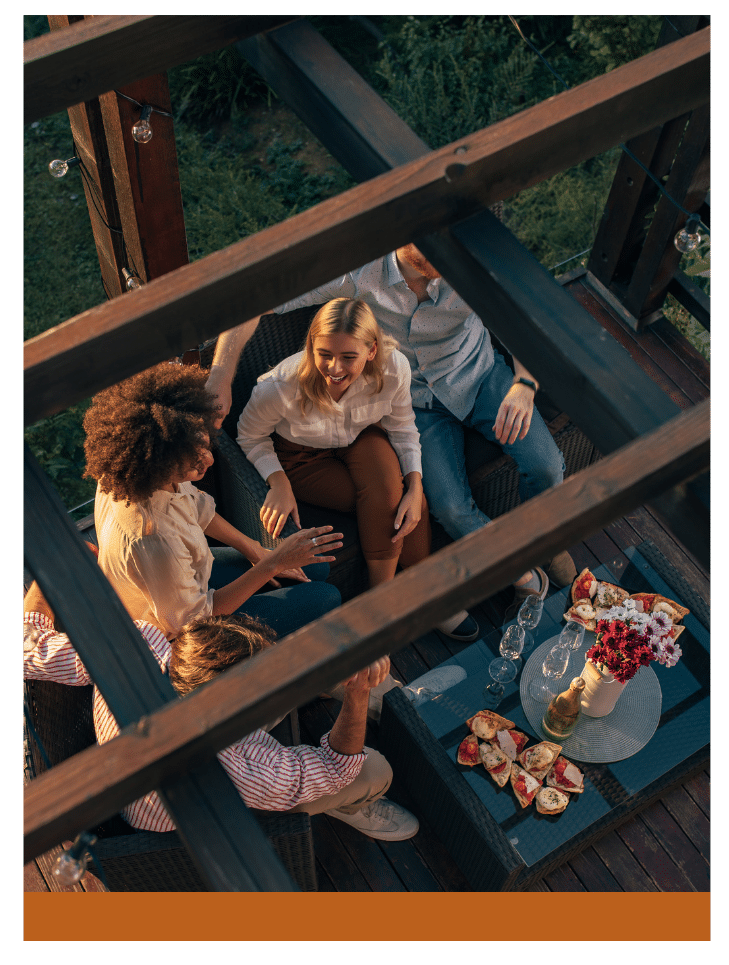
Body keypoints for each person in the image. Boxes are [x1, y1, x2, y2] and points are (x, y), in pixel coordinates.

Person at [207, 246, 576, 618]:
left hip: (480, 376)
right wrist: (220, 377)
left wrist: (524, 384)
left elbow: (522, 320)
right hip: (418, 408)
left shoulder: (473, 264)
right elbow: (252, 299)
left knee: (546, 465)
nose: (436, 256)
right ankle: (519, 569)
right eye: (423, 243)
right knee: (448, 506)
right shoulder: (355, 273)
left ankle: (542, 537)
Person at [23, 580, 420, 841]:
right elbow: (336, 767)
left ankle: (392, 700)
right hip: (197, 815)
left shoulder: (135, 649)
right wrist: (356, 698)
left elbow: (26, 644)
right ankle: (347, 804)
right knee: (374, 770)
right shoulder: (239, 769)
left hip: (155, 754)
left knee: (310, 660)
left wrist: (47, 577)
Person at [236, 297, 478, 641]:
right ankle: (423, 591)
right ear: (311, 347)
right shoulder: (279, 387)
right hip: (303, 459)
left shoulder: (394, 369)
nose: (335, 368)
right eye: (325, 355)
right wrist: (278, 482)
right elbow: (249, 435)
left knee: (400, 498)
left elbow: (403, 427)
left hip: (363, 438)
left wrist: (415, 486)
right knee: (385, 503)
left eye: (349, 357)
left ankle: (380, 603)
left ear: (371, 350)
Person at [82, 361, 343, 641]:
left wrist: (255, 550)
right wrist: (273, 564)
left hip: (186, 579)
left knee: (316, 567)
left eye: (204, 445)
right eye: (192, 462)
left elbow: (197, 507)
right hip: (181, 628)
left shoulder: (148, 466)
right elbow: (195, 620)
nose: (208, 459)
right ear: (155, 463)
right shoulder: (154, 539)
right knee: (325, 596)